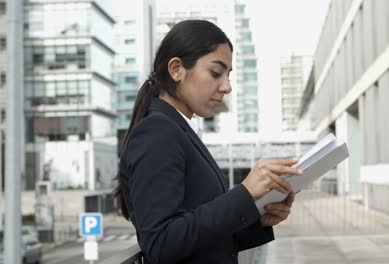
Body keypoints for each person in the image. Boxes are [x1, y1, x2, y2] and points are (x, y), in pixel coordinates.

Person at [114, 20, 302, 264]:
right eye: (216, 73)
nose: (227, 87)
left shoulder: (178, 130)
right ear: (176, 69)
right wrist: (245, 194)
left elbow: (201, 239)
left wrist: (258, 220)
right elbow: (161, 243)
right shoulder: (157, 132)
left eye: (228, 75)